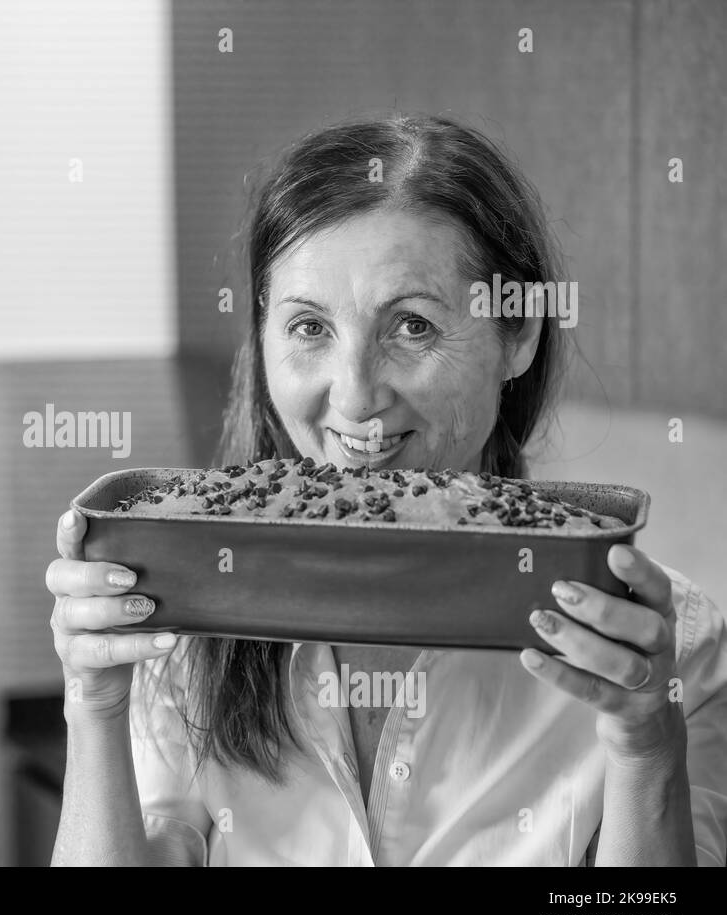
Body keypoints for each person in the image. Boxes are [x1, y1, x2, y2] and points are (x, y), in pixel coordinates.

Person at [45, 114, 727, 866]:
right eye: (309, 328)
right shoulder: (183, 624)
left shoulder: (672, 652)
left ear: (520, 334)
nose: (357, 397)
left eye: (412, 326)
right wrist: (93, 704)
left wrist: (643, 748)